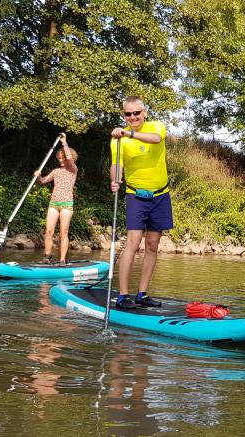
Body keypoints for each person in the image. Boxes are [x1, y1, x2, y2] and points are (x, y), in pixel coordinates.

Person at [109, 96, 170, 310]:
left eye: (136, 113)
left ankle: (142, 294)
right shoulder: (118, 141)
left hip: (161, 195)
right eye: (128, 114)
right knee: (133, 243)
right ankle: (123, 295)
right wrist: (115, 180)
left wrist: (129, 133)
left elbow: (156, 139)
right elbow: (116, 165)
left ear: (144, 112)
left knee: (152, 244)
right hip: (136, 196)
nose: (133, 117)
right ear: (124, 115)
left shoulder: (156, 126)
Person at [34, 142, 79, 265]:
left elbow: (69, 158)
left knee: (63, 233)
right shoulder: (56, 171)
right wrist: (38, 176)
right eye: (59, 158)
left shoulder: (73, 169)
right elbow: (43, 181)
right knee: (49, 232)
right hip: (53, 204)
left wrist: (64, 143)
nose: (61, 160)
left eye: (63, 158)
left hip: (67, 205)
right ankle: (47, 257)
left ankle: (62, 260)